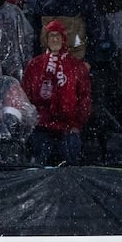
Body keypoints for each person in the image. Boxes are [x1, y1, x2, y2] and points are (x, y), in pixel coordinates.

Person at [23, 20, 92, 165]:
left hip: (68, 126)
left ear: (64, 38)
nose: (54, 39)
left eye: (58, 36)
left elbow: (85, 97)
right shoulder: (34, 65)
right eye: (51, 36)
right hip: (41, 126)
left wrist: (76, 124)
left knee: (71, 167)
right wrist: (32, 121)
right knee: (38, 165)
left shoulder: (77, 66)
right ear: (46, 40)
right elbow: (25, 96)